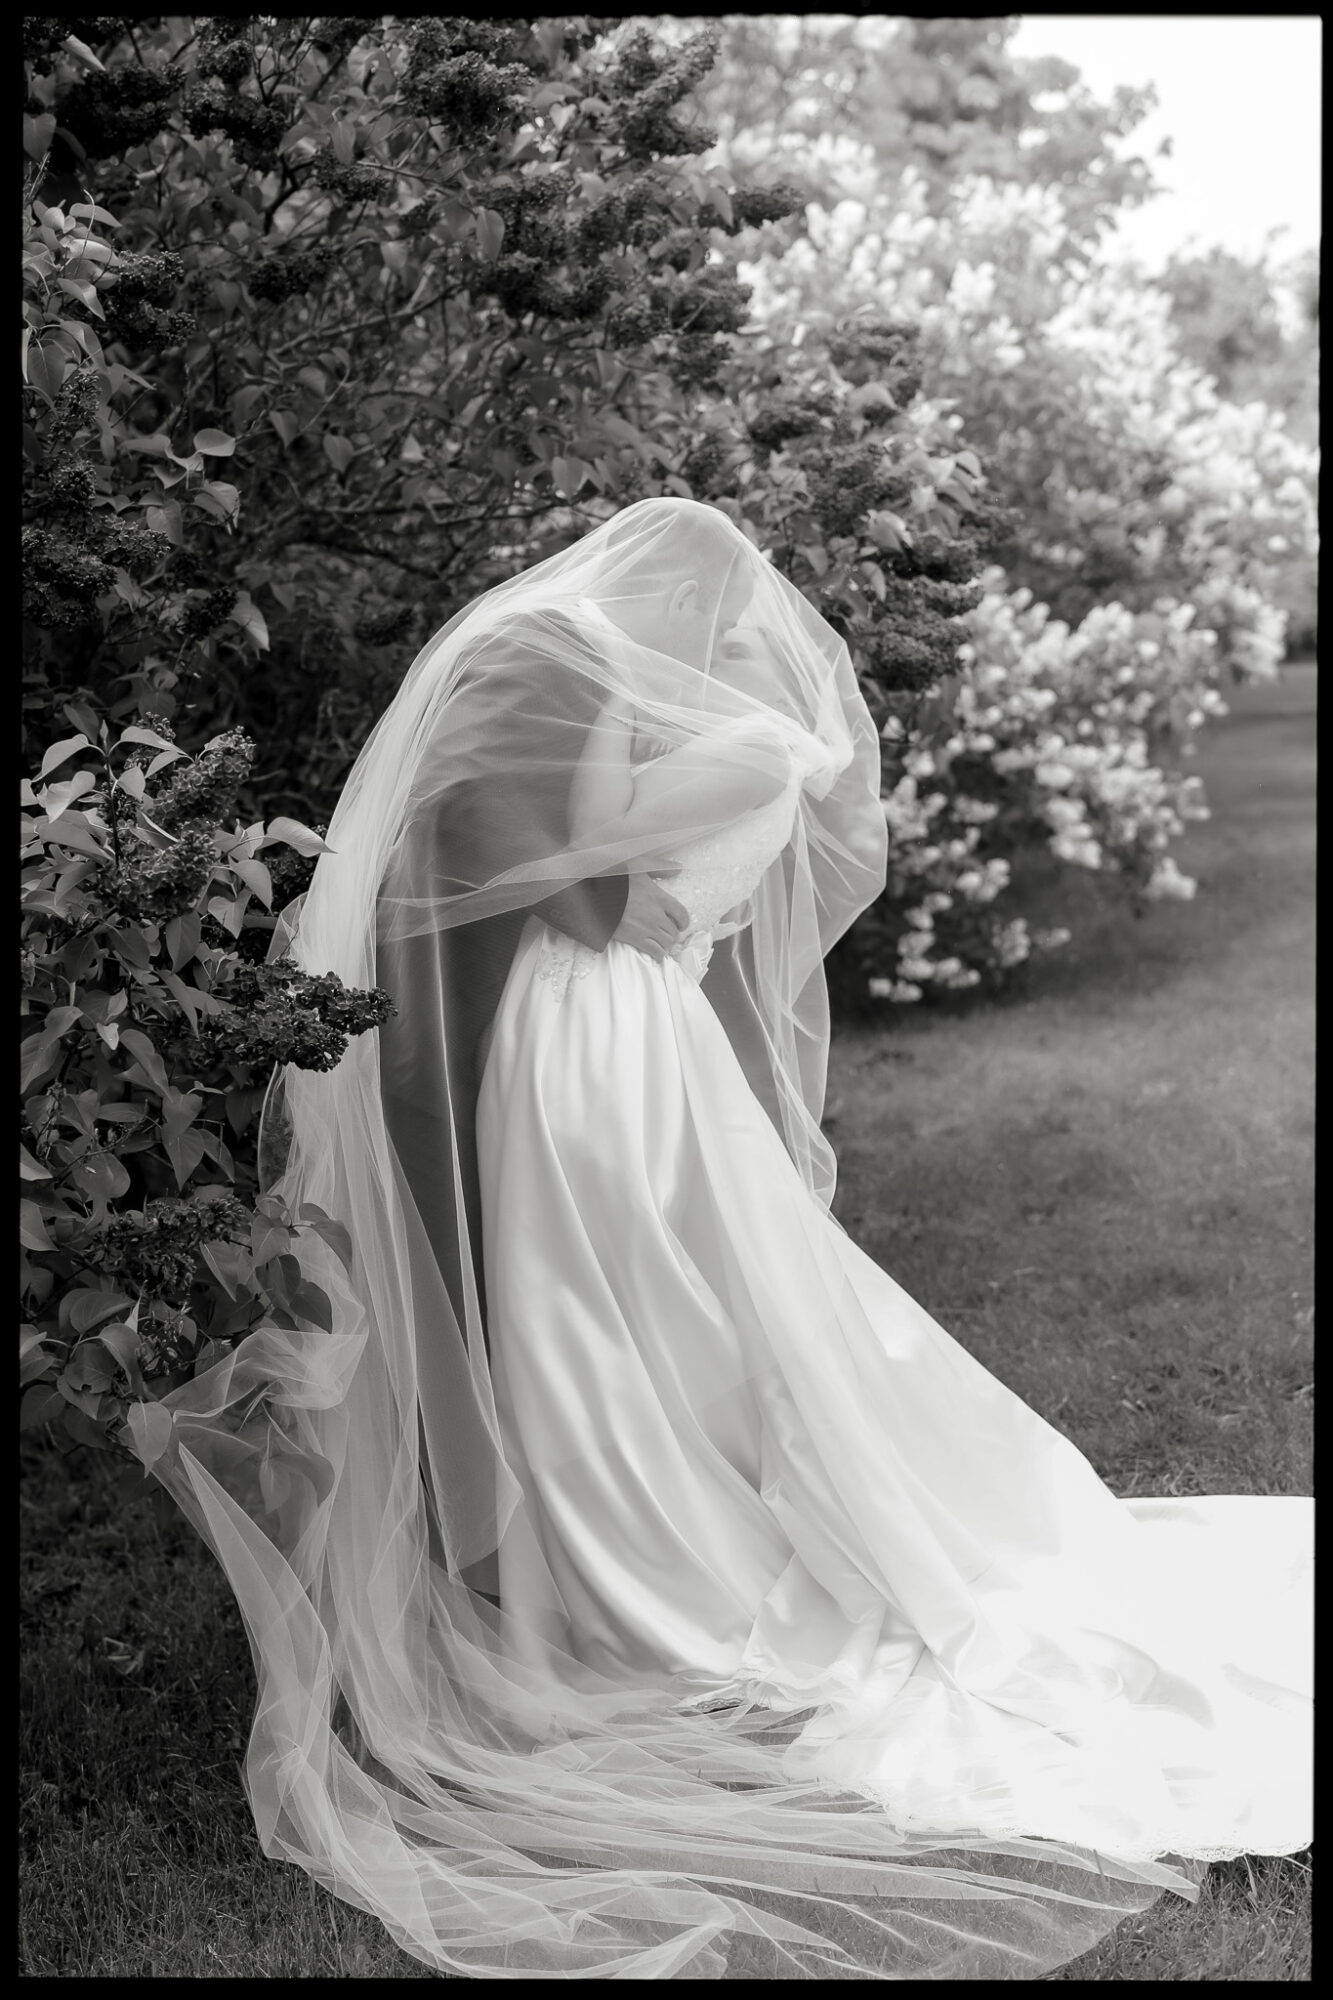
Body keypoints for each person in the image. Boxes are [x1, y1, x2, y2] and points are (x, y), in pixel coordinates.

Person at [129, 498, 1311, 1980]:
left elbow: (533, 903)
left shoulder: (597, 697)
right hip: (620, 1053)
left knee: (611, 1319)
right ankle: (626, 1560)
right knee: (634, 1319)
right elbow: (549, 905)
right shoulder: (648, 707)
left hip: (607, 1059)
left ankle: (629, 1577)